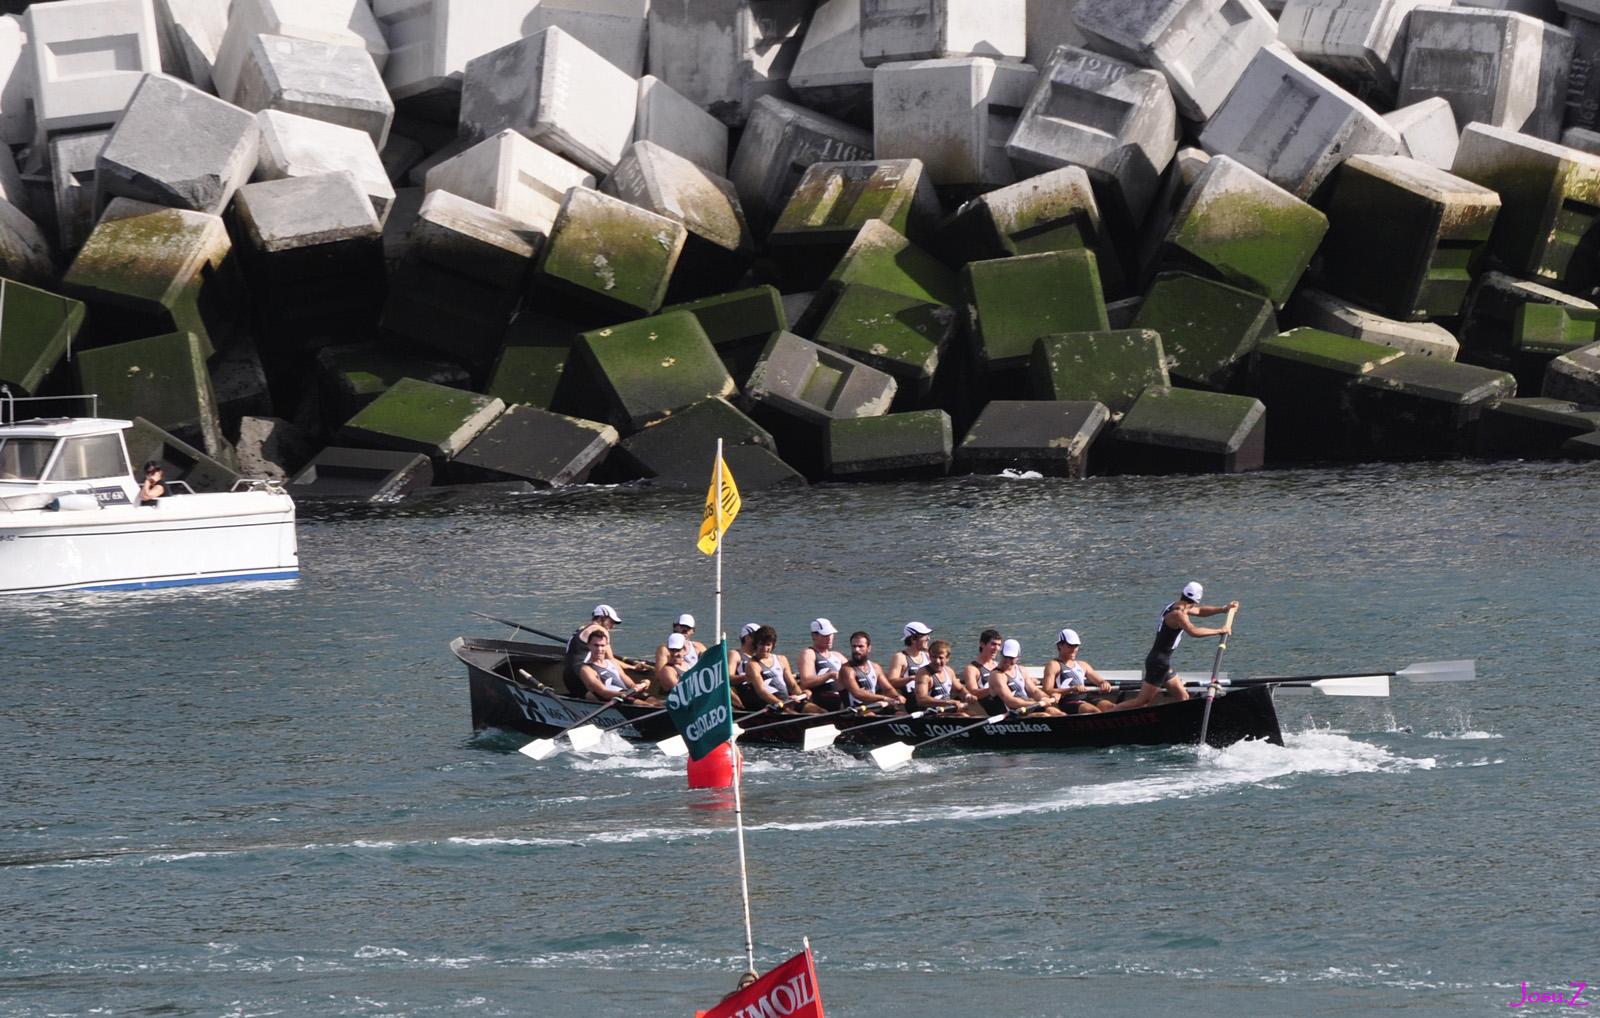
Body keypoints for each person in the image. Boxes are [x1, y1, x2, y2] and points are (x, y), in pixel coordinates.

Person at [1113, 581, 1238, 711]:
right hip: (1158, 663)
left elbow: (1200, 611)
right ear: (1196, 600)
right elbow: (1193, 631)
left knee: (1183, 697)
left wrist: (1224, 609)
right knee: (1141, 701)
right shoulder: (1178, 614)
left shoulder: (1176, 606)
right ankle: (1108, 714)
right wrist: (1219, 630)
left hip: (1162, 663)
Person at [563, 604, 648, 696]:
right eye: (611, 622)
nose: (612, 626)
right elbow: (611, 660)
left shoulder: (582, 628)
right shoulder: (600, 631)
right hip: (583, 677)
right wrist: (633, 667)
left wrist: (631, 666)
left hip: (568, 675)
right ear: (601, 618)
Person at [740, 625, 818, 713]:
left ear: (773, 645)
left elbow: (792, 685)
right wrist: (782, 705)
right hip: (771, 705)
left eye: (768, 645)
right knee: (797, 715)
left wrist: (801, 695)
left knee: (819, 711)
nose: (765, 648)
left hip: (788, 701)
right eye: (762, 644)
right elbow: (762, 692)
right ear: (756, 644)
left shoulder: (782, 659)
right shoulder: (752, 665)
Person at [1041, 628, 1117, 714]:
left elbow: (1100, 681)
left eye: (1076, 646)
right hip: (1068, 700)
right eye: (1070, 646)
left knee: (1112, 707)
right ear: (1060, 646)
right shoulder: (1053, 665)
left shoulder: (1083, 665)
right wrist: (1070, 689)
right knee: (1093, 711)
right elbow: (1046, 690)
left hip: (1086, 697)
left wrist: (1104, 683)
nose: (1074, 649)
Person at [577, 628, 657, 705]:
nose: (599, 649)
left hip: (627, 693)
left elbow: (630, 684)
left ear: (606, 646)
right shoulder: (586, 669)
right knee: (646, 705)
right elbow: (603, 692)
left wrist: (644, 684)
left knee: (657, 703)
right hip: (614, 698)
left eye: (602, 645)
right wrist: (625, 694)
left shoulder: (612, 662)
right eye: (596, 645)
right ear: (589, 646)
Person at [989, 639, 1065, 715]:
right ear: (1001, 654)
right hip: (1012, 714)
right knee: (1044, 715)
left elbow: (1034, 691)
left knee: (1056, 712)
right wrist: (1036, 703)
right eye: (1006, 657)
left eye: (1011, 658)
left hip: (1027, 708)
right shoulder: (997, 675)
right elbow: (1010, 701)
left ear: (1018, 657)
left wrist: (1044, 698)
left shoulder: (1021, 670)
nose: (1008, 661)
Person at [837, 631, 904, 710]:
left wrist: (896, 696)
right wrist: (885, 698)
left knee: (901, 713)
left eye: (860, 646)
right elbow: (857, 694)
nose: (856, 650)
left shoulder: (876, 667)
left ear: (869, 648)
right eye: (854, 646)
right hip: (854, 711)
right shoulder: (847, 669)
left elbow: (888, 689)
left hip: (872, 707)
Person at [914, 639, 981, 715]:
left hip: (946, 710)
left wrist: (968, 696)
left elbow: (960, 690)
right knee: (963, 715)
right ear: (929, 656)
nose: (937, 661)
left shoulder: (949, 671)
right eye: (934, 657)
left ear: (947, 658)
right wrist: (947, 702)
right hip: (930, 713)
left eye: (941, 658)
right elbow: (921, 699)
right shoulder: (923, 674)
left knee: (974, 713)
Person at [796, 617, 846, 709]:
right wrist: (829, 675)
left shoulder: (838, 655)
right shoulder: (809, 653)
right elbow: (806, 681)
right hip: (822, 697)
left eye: (831, 634)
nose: (830, 638)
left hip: (842, 695)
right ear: (814, 636)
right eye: (825, 635)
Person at [887, 621, 933, 700]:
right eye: (924, 636)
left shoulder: (928, 655)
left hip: (928, 697)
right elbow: (891, 682)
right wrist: (912, 678)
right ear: (913, 639)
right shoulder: (900, 657)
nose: (928, 638)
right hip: (911, 699)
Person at [961, 629, 1005, 711]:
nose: (997, 648)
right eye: (993, 644)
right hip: (986, 710)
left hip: (1004, 704)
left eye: (999, 645)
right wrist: (993, 689)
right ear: (982, 644)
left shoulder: (998, 665)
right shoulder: (972, 669)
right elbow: (973, 693)